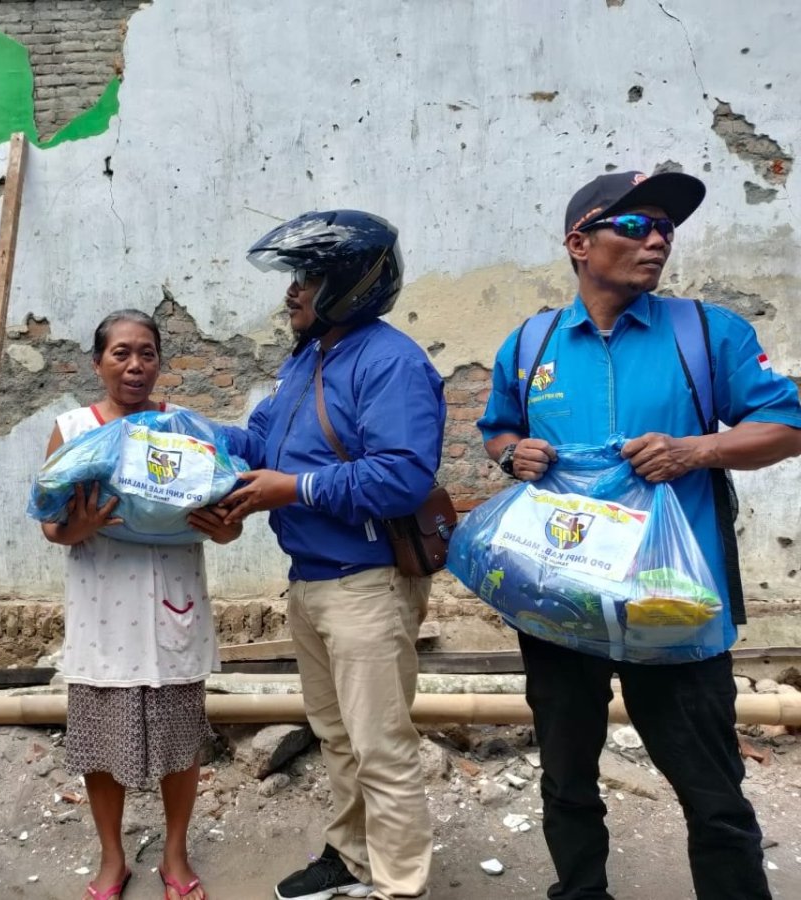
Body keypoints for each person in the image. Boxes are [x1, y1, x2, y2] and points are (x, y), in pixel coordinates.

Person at [477, 170, 801, 900]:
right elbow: (497, 427)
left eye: (665, 227)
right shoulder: (531, 345)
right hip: (560, 605)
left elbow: (787, 426)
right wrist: (510, 453)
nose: (657, 238)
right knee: (566, 779)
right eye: (634, 225)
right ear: (578, 244)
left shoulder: (706, 332)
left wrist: (697, 450)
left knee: (712, 792)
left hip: (674, 603)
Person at [219, 210, 447, 900]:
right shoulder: (306, 360)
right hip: (311, 582)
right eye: (293, 277)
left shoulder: (391, 362)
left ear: (352, 284)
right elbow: (256, 447)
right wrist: (176, 439)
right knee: (338, 738)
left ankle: (400, 886)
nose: (292, 291)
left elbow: (404, 473)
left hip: (367, 585)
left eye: (309, 277)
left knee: (381, 748)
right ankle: (351, 858)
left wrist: (296, 488)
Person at [39, 309, 241, 900]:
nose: (135, 365)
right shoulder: (73, 428)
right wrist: (79, 528)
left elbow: (226, 514)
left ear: (160, 361)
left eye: (147, 353)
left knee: (181, 742)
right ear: (97, 361)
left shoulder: (183, 429)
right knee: (101, 746)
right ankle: (112, 859)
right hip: (102, 604)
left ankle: (175, 857)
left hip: (172, 596)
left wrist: (224, 530)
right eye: (121, 352)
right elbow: (51, 526)